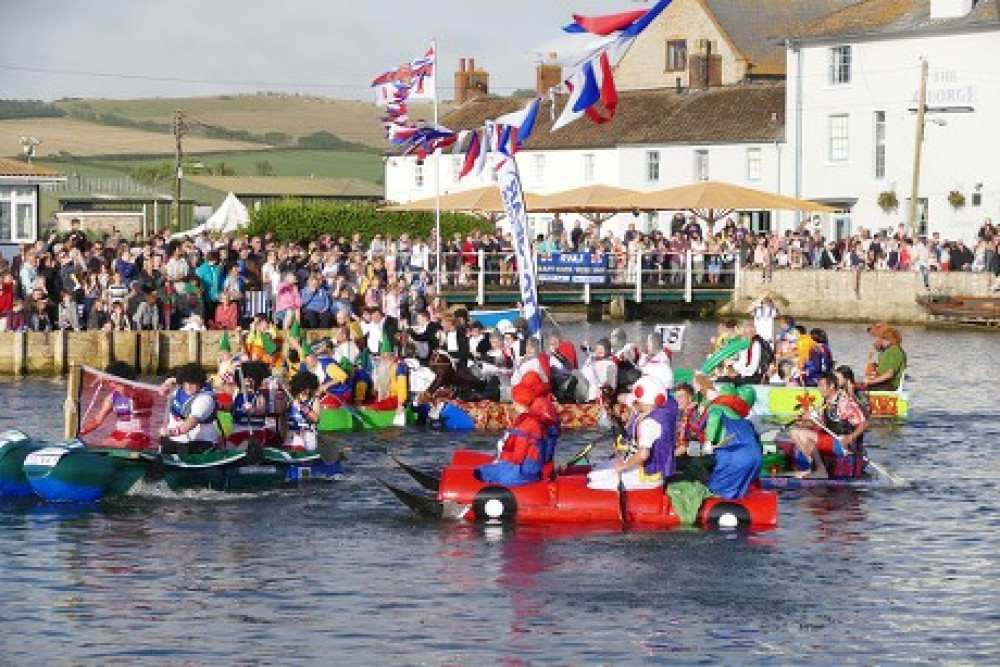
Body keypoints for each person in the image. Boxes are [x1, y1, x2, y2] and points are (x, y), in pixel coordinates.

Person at [586, 376, 678, 490]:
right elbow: (624, 399)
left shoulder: (649, 423)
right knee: (595, 472)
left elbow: (643, 454)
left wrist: (624, 466)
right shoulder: (657, 412)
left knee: (594, 482)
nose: (632, 403)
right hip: (649, 470)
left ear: (640, 400)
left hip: (649, 476)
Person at [475, 372, 556, 486]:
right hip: (535, 467)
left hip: (523, 473)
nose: (512, 405)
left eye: (514, 402)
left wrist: (502, 459)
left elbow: (518, 457)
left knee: (480, 472)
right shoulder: (539, 416)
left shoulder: (527, 424)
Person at [787, 371, 867, 479]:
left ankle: (820, 471)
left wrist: (850, 437)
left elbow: (864, 423)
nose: (819, 388)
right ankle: (814, 468)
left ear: (832, 386)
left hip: (843, 444)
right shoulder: (827, 402)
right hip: (831, 440)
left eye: (821, 385)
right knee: (794, 432)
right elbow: (821, 426)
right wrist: (805, 423)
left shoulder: (844, 402)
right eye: (818, 385)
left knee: (801, 435)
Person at [78, 361, 154, 450]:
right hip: (119, 434)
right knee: (104, 445)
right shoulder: (111, 398)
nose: (109, 385)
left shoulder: (142, 393)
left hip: (139, 435)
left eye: (111, 381)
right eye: (109, 381)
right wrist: (81, 432)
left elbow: (129, 393)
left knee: (123, 445)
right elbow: (97, 420)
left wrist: (111, 378)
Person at [159, 362, 221, 456]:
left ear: (200, 383)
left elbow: (191, 423)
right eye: (186, 382)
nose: (188, 387)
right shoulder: (178, 389)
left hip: (200, 442)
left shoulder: (205, 399)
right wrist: (166, 384)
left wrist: (171, 432)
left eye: (192, 383)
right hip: (176, 439)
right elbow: (162, 392)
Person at [284, 370, 321, 452]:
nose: (307, 391)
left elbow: (316, 419)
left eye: (309, 388)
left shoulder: (314, 400)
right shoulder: (290, 400)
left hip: (308, 435)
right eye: (304, 388)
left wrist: (304, 408)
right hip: (292, 436)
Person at [865, 323, 906, 391]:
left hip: (891, 385)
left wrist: (872, 382)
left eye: (885, 339)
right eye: (882, 339)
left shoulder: (895, 351)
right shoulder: (884, 351)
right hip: (882, 382)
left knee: (864, 388)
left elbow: (890, 373)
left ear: (892, 340)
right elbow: (881, 368)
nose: (882, 341)